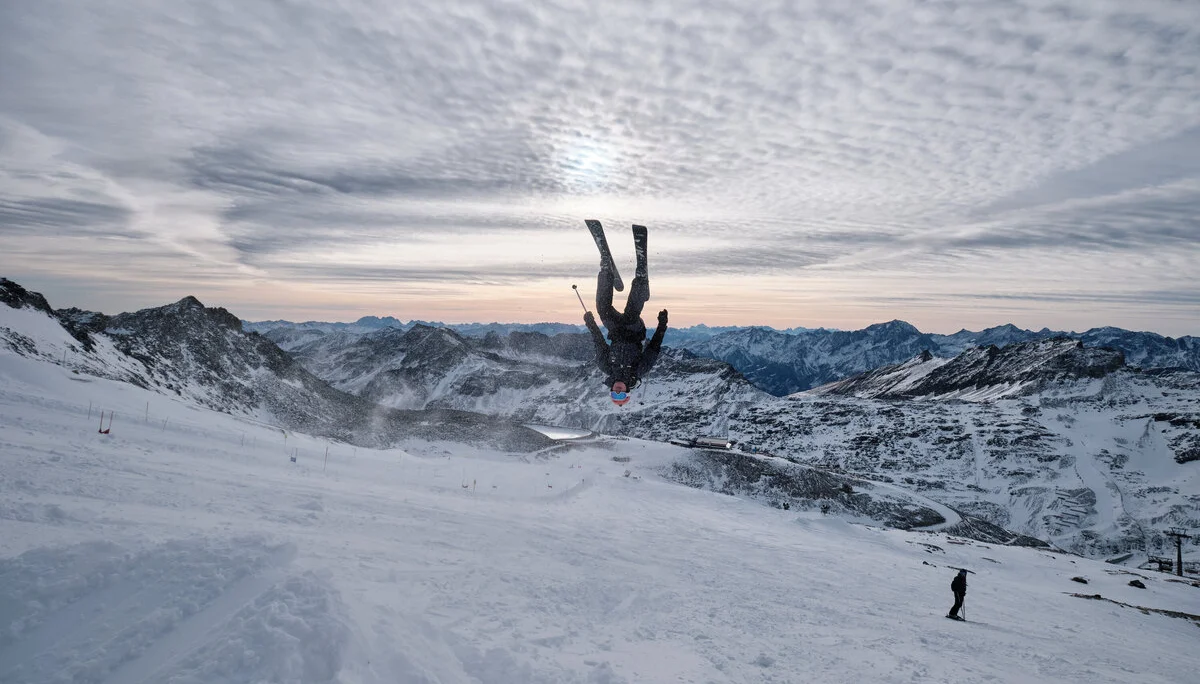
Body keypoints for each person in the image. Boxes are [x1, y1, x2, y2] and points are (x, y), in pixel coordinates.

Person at [583, 226, 668, 405]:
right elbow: (653, 348)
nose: (618, 392)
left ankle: (606, 268)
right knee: (631, 315)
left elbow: (599, 343)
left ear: (612, 389)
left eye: (615, 394)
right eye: (622, 395)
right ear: (628, 391)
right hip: (633, 331)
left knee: (602, 308)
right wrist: (662, 325)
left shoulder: (606, 367)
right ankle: (641, 279)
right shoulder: (639, 370)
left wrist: (591, 324)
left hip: (615, 330)